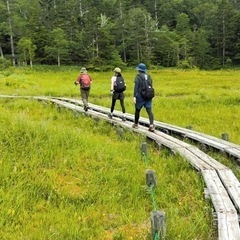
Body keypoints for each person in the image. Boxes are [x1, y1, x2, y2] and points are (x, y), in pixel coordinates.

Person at [132, 63, 154, 132]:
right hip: (148, 96)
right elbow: (151, 85)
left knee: (137, 110)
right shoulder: (149, 76)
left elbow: (136, 87)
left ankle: (136, 124)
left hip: (140, 97)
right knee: (149, 111)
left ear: (139, 70)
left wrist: (134, 96)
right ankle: (151, 125)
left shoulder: (138, 76)